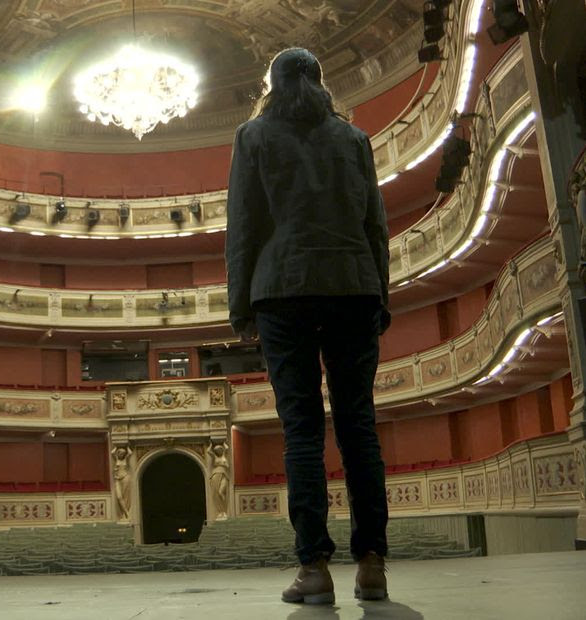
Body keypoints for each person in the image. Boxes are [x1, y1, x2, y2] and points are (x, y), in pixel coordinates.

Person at [226, 47, 391, 606]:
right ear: (320, 81)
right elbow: (375, 224)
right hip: (352, 284)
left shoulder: (253, 137)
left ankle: (314, 569)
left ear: (270, 84)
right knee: (357, 425)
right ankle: (372, 565)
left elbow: (243, 226)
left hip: (283, 290)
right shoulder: (353, 139)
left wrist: (240, 305)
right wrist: (380, 293)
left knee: (301, 430)